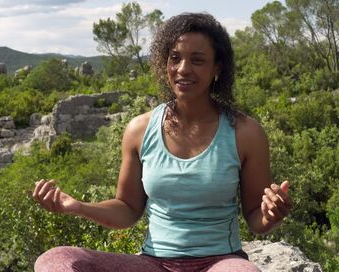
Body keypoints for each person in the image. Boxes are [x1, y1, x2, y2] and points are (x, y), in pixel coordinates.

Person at [33, 12, 292, 272]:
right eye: (175, 58)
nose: (182, 69)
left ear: (217, 68)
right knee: (55, 261)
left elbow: (255, 218)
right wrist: (77, 207)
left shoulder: (245, 133)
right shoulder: (140, 129)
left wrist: (271, 214)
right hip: (154, 264)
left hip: (221, 262)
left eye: (198, 60)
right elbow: (128, 209)